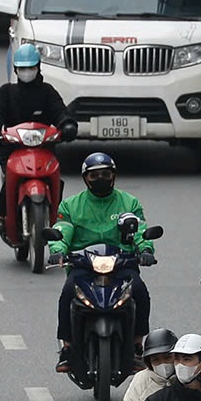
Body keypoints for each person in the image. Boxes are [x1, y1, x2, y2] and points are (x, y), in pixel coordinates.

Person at [49, 153, 154, 373]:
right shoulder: (70, 205)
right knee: (68, 292)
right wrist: (58, 252)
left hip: (122, 263)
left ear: (114, 176)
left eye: (105, 174)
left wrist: (145, 249)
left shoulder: (129, 202)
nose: (100, 178)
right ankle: (67, 348)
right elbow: (63, 231)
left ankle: (136, 344)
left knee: (140, 291)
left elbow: (140, 230)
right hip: (83, 264)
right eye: (94, 175)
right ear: (85, 178)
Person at [0, 44, 78, 234]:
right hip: (12, 149)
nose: (26, 72)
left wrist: (67, 124)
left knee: (57, 180)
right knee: (8, 181)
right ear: (16, 69)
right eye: (22, 68)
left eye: (31, 68)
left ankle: (56, 214)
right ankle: (2, 214)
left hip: (44, 149)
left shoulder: (47, 92)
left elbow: (59, 111)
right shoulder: (5, 93)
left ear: (38, 67)